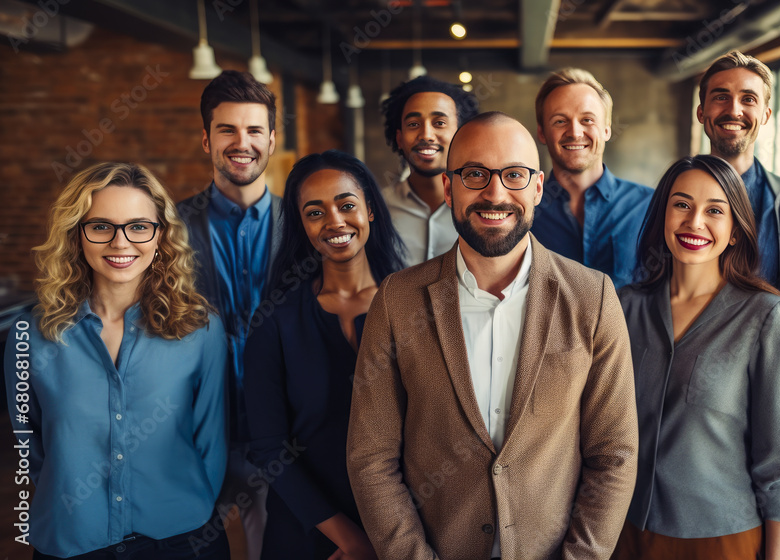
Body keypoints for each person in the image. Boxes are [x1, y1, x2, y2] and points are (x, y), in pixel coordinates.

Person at [347, 112, 638, 560]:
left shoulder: (593, 298)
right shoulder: (396, 301)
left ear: (538, 187)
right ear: (449, 187)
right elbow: (372, 457)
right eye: (475, 174)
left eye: (514, 175)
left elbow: (614, 454)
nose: (495, 193)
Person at [3, 162, 228, 559]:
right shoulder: (30, 335)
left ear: (161, 236)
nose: (121, 243)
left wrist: (186, 507)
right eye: (101, 226)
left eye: (139, 226)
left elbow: (211, 440)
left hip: (182, 540)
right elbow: (30, 445)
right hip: (72, 542)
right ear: (77, 235)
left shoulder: (200, 330)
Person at [614, 155, 780, 560]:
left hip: (720, 538)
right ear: (662, 215)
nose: (694, 222)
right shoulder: (625, 307)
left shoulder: (767, 316)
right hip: (621, 532)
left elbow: (777, 461)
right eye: (681, 204)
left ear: (735, 230)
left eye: (715, 210)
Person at [243, 150, 406, 560]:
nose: (334, 221)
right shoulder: (274, 320)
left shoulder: (415, 305)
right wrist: (350, 540)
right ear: (301, 224)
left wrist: (389, 536)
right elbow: (268, 448)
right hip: (306, 533)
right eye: (315, 212)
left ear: (369, 209)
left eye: (346, 205)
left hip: (405, 529)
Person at [176, 69, 281, 559]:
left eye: (254, 130)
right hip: (192, 428)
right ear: (206, 139)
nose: (243, 143)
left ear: (272, 139)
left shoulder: (304, 224)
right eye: (228, 130)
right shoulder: (167, 227)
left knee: (273, 543)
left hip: (281, 429)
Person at [697, 50, 780, 297]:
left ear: (765, 115)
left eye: (748, 99)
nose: (734, 110)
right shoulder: (671, 197)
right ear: (701, 112)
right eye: (721, 97)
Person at [531, 68, 653, 289]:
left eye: (587, 120)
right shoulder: (524, 211)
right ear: (542, 132)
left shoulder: (650, 205)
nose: (575, 132)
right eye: (560, 121)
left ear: (606, 129)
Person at [380, 75, 480, 266]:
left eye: (439, 123)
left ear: (462, 134)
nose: (426, 134)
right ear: (399, 139)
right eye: (413, 124)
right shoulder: (378, 209)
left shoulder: (482, 208)